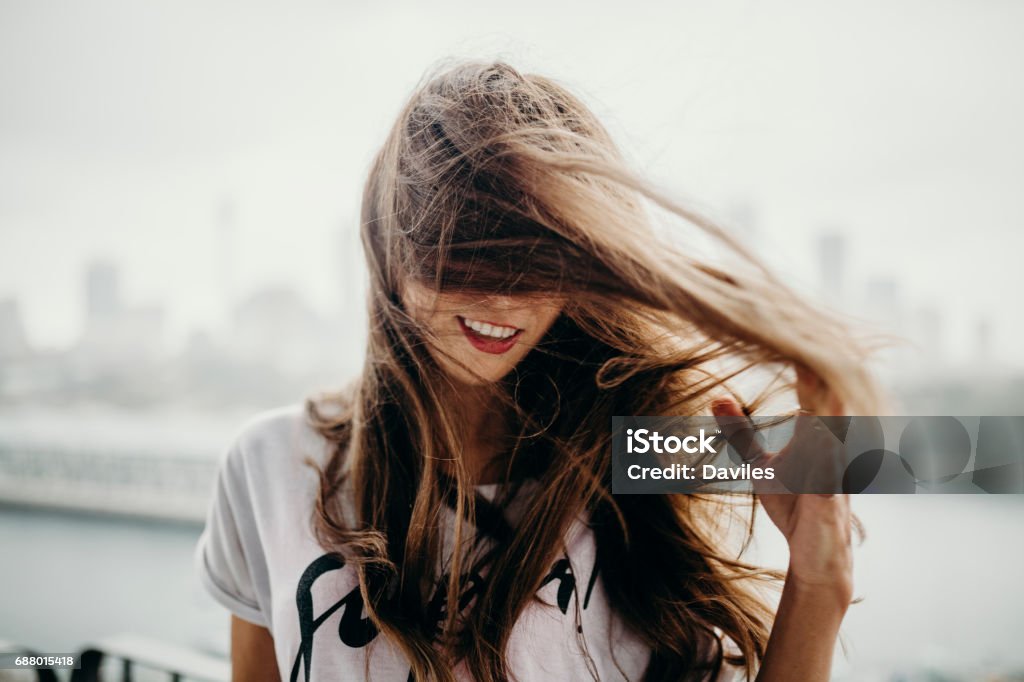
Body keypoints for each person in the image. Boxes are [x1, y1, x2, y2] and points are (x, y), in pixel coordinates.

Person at [194, 60, 886, 682]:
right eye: (461, 252)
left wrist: (820, 583)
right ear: (388, 249)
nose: (501, 296)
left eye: (540, 255)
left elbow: (965, 455)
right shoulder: (269, 467)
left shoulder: (642, 457)